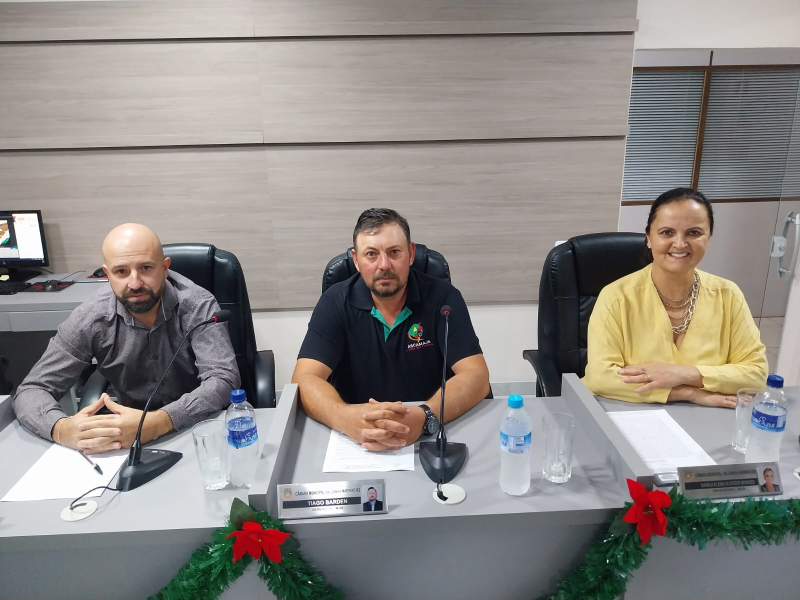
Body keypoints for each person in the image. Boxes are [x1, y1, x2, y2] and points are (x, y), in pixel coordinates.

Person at [12, 224, 240, 454]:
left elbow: (223, 379)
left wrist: (158, 422)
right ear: (107, 274)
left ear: (164, 268)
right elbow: (32, 390)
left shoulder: (197, 305)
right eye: (121, 272)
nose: (135, 283)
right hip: (130, 441)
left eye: (146, 268)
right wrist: (61, 429)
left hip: (203, 429)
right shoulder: (90, 318)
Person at [292, 208, 490, 451]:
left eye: (394, 252)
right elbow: (304, 379)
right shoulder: (334, 302)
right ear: (356, 260)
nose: (384, 265)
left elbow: (477, 376)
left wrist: (425, 417)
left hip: (431, 432)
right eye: (371, 254)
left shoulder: (444, 299)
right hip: (356, 440)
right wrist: (345, 418)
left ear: (411, 253)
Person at [582, 188, 767, 407]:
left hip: (709, 417)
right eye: (667, 232)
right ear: (649, 238)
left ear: (708, 238)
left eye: (694, 233)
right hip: (625, 412)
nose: (680, 243)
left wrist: (684, 374)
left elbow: (756, 374)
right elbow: (601, 377)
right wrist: (688, 393)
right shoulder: (616, 296)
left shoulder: (728, 295)